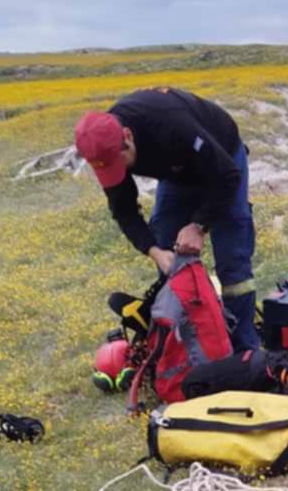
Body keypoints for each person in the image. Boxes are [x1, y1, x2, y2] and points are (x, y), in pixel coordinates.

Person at [75, 87, 260, 351]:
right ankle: (181, 344)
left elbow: (227, 177)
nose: (122, 171)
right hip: (176, 172)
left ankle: (244, 351)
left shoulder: (171, 124)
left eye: (121, 162)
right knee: (164, 243)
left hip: (222, 160)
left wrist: (199, 225)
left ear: (127, 136)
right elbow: (124, 211)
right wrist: (155, 253)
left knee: (233, 259)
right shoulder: (104, 147)